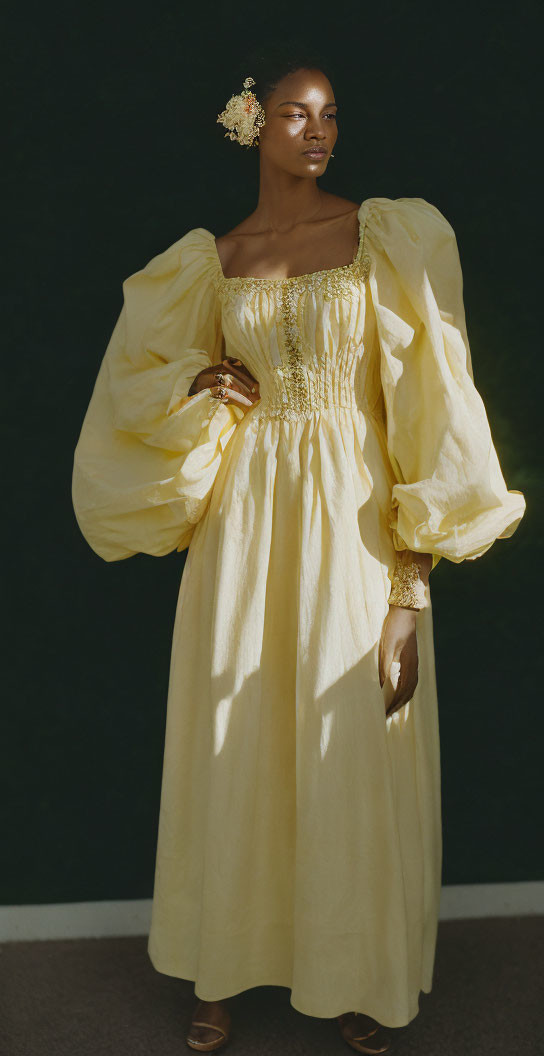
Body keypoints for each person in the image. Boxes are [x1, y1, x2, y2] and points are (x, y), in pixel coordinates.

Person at [72, 48, 526, 1056]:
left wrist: (410, 584)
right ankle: (223, 964)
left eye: (329, 115)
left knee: (351, 744)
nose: (317, 131)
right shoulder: (215, 258)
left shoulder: (383, 238)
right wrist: (197, 385)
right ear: (251, 125)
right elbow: (136, 387)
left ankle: (357, 973)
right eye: (294, 113)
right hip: (244, 528)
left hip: (354, 524)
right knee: (234, 736)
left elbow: (427, 408)